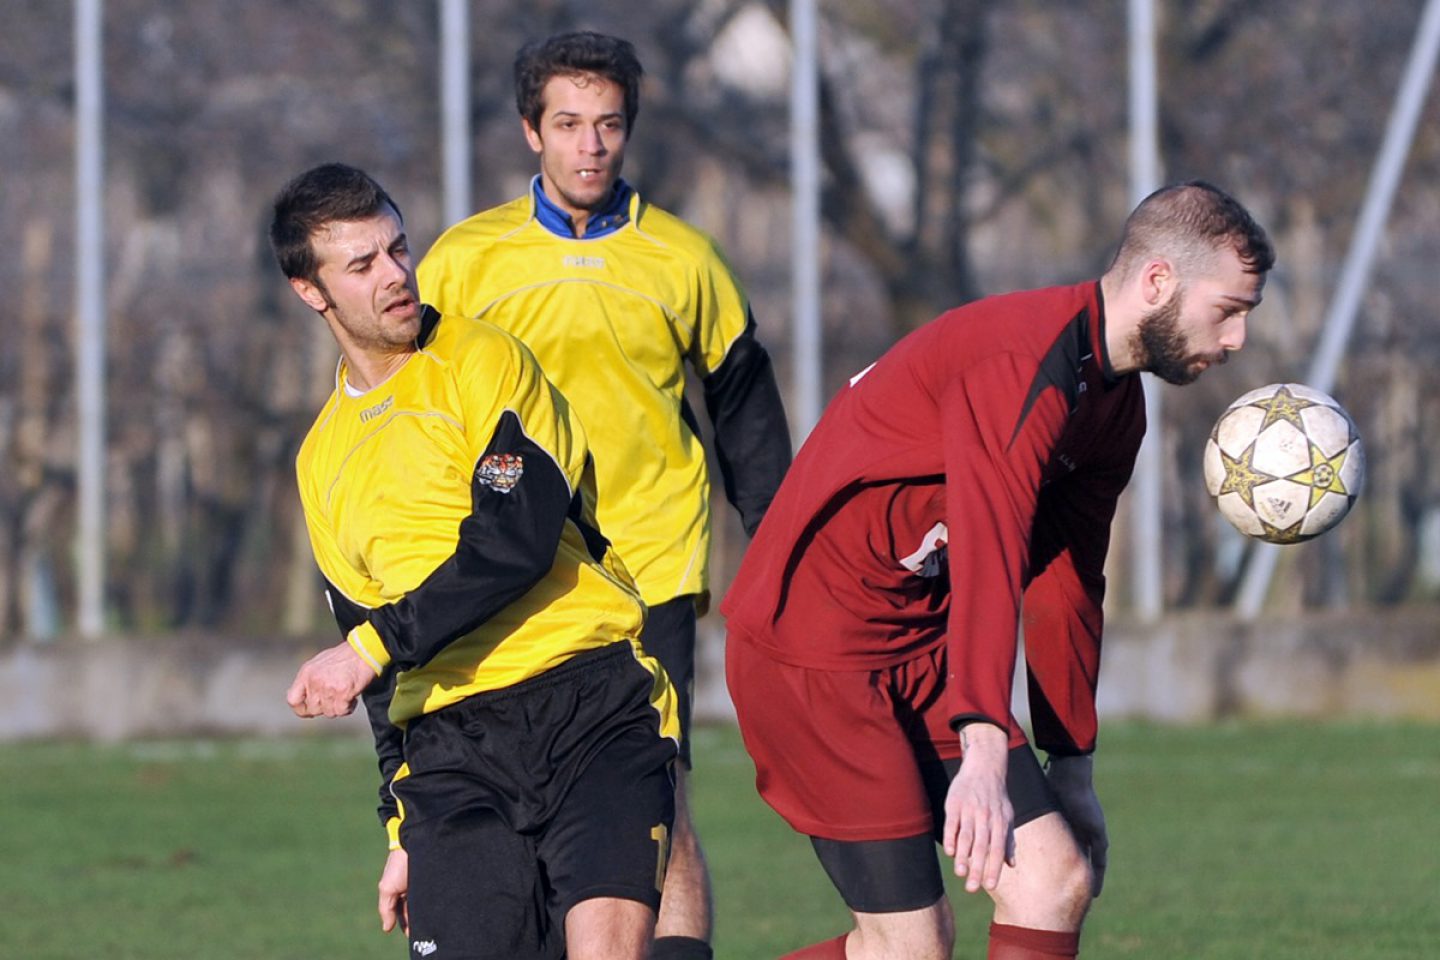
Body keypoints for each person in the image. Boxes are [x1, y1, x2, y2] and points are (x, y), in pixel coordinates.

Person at [721, 181, 1275, 960]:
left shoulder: (1117, 405)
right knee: (910, 947)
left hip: (924, 651)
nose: (1240, 337)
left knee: (1055, 880)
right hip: (816, 651)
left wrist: (1072, 763)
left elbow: (1067, 580)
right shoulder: (1022, 357)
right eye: (1228, 308)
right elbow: (989, 538)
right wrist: (983, 736)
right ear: (1158, 282)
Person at [416, 31, 792, 960]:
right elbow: (412, 410)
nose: (591, 146)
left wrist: (788, 552)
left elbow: (746, 415)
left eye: (609, 126)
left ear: (630, 132)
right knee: (513, 804)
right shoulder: (464, 264)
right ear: (530, 133)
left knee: (655, 795)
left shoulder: (684, 259)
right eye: (570, 124)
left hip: (649, 569)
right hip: (512, 575)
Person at [271, 162, 680, 960]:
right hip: (452, 755)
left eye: (398, 249)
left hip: (588, 706)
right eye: (362, 265)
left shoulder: (485, 360)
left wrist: (371, 647)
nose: (395, 276)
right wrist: (400, 831)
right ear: (309, 291)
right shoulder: (322, 460)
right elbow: (378, 689)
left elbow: (513, 540)